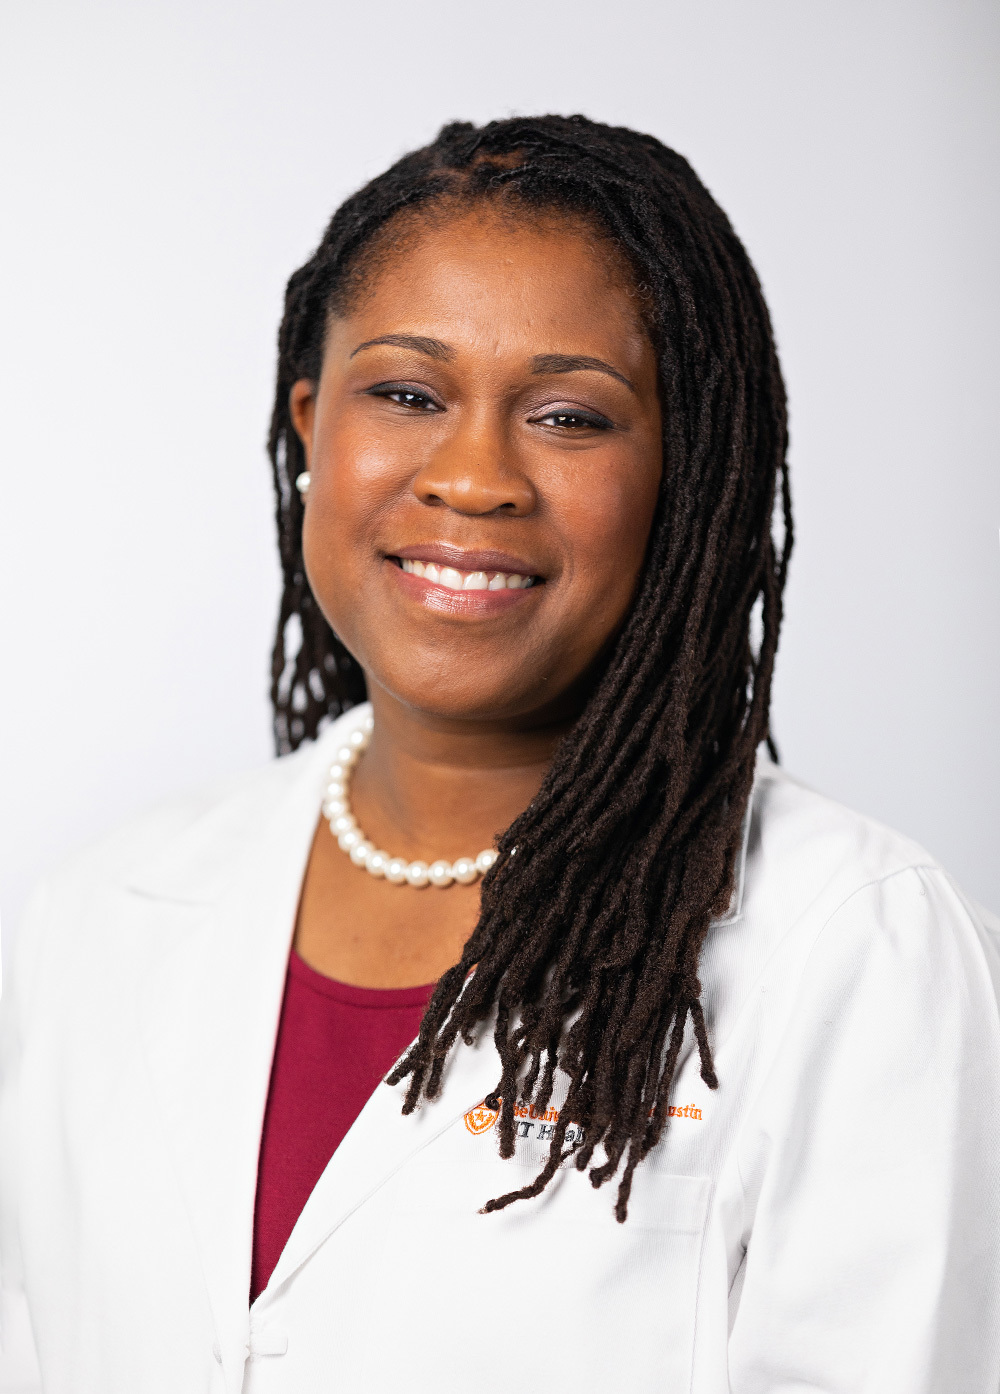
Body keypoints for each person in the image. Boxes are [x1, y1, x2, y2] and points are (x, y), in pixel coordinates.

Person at [1, 114, 998, 1394]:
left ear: (685, 476)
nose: (474, 477)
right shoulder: (99, 913)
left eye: (569, 415)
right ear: (311, 426)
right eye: (407, 393)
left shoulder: (856, 949)